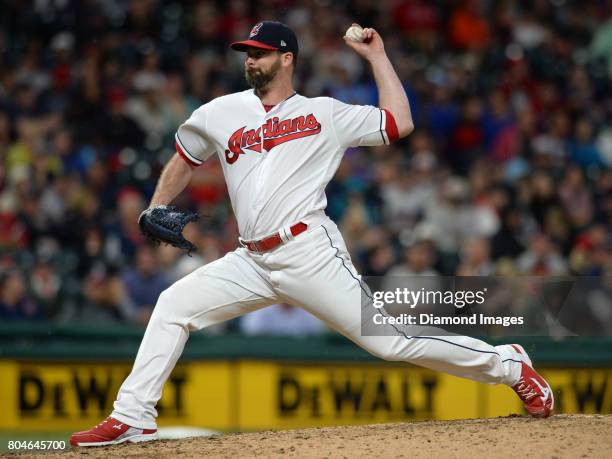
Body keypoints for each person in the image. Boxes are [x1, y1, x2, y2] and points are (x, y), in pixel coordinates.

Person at [70, 21, 553, 447]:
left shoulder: (325, 113)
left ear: (287, 59)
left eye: (259, 52)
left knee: (389, 343)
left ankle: (509, 364)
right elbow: (184, 157)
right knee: (173, 306)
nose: (250, 59)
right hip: (250, 261)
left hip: (309, 251)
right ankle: (132, 416)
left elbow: (399, 122)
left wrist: (377, 57)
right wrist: (158, 204)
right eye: (247, 52)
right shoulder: (219, 112)